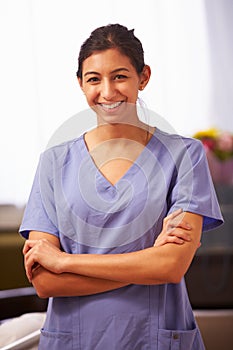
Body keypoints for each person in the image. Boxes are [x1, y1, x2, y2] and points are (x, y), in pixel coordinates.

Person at [20, 24, 223, 349]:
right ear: (80, 84)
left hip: (154, 338)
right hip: (74, 339)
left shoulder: (185, 155)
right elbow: (44, 281)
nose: (108, 92)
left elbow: (171, 266)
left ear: (143, 77)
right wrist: (147, 262)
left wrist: (65, 261)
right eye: (94, 79)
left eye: (120, 76)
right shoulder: (53, 163)